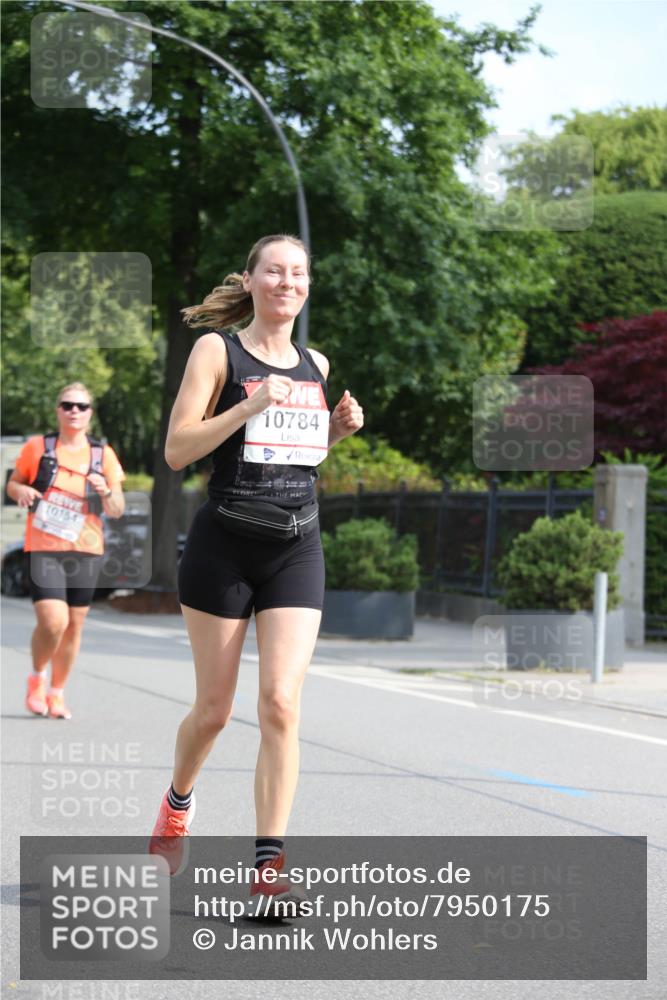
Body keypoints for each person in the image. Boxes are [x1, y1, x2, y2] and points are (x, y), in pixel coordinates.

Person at [149, 234, 363, 913]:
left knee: (281, 704)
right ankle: (176, 805)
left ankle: (268, 870)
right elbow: (178, 449)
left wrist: (334, 433)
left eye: (298, 272)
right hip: (224, 545)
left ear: (306, 285)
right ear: (251, 280)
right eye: (274, 270)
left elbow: (296, 458)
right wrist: (243, 407)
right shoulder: (219, 351)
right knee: (214, 712)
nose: (286, 282)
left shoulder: (315, 361)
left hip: (296, 545)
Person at [7, 382, 125, 720]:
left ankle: (57, 693)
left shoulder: (103, 455)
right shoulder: (38, 448)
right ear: (58, 410)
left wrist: (106, 491)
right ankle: (36, 678)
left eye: (82, 406)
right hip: (44, 544)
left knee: (74, 623)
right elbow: (14, 483)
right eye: (68, 405)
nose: (75, 411)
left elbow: (116, 508)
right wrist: (21, 492)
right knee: (53, 621)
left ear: (90, 414)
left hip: (85, 548)